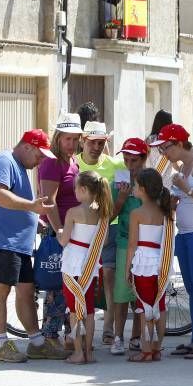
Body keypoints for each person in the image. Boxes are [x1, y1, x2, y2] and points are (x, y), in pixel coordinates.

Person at [0, 129, 67, 363]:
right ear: (27, 146)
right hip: (1, 241)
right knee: (0, 290)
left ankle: (37, 343)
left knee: (25, 291)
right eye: (39, 155)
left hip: (16, 243)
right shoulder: (3, 161)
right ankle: (1, 343)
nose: (41, 160)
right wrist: (31, 208)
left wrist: (35, 220)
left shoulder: (20, 166)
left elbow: (16, 203)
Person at [150, 124, 193, 360]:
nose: (163, 154)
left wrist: (186, 190)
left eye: (166, 148)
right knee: (192, 290)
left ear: (179, 144)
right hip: (187, 233)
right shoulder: (182, 166)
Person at [57, 171, 114, 364]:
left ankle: (78, 352)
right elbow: (104, 241)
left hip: (73, 262)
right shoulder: (102, 213)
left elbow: (64, 241)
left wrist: (59, 233)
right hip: (91, 265)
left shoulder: (73, 212)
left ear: (83, 190)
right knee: (89, 310)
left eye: (75, 188)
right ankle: (89, 352)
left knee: (74, 309)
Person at [76, 120, 124, 346]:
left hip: (111, 228)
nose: (97, 146)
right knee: (79, 278)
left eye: (101, 142)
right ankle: (78, 327)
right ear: (83, 141)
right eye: (93, 142)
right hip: (82, 231)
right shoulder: (73, 164)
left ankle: (108, 328)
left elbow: (129, 190)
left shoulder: (117, 165)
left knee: (109, 277)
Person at [38, 112, 84, 349]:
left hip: (73, 232)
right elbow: (49, 201)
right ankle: (49, 337)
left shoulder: (72, 160)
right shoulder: (51, 162)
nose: (72, 144)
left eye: (76, 139)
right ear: (58, 138)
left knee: (69, 284)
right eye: (68, 139)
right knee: (56, 286)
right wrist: (58, 232)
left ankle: (69, 336)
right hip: (59, 232)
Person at [125, 168, 175, 362]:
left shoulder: (137, 213)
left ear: (143, 189)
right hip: (160, 261)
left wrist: (127, 268)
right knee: (158, 306)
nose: (133, 188)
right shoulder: (165, 212)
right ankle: (157, 348)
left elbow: (132, 244)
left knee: (144, 307)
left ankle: (146, 349)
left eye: (136, 186)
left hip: (143, 262)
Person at [110, 137, 148, 355]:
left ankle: (136, 336)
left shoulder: (151, 180)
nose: (129, 165)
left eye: (134, 161)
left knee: (141, 291)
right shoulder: (119, 180)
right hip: (125, 242)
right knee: (121, 292)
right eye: (126, 160)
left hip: (145, 243)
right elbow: (110, 214)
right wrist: (121, 198)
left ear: (143, 159)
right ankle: (117, 337)